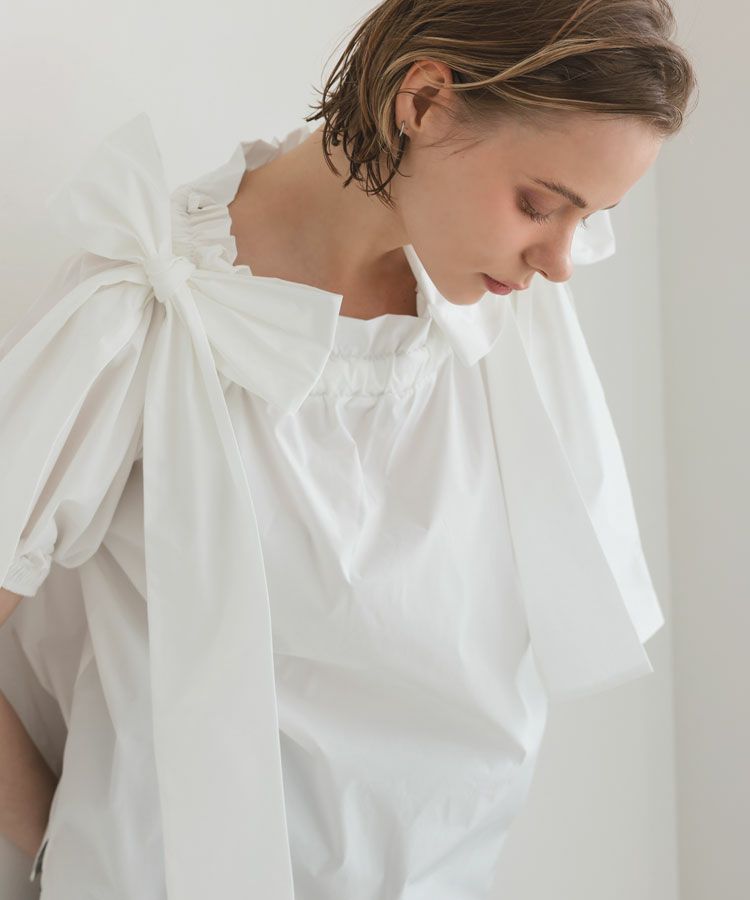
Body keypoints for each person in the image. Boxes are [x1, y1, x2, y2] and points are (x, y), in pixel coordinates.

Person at [0, 1, 697, 897]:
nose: (560, 261)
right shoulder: (147, 313)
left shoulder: (498, 308)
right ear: (424, 102)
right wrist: (53, 840)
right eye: (540, 205)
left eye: (589, 218)